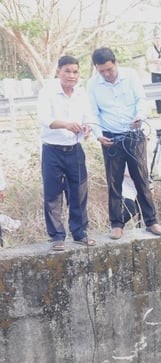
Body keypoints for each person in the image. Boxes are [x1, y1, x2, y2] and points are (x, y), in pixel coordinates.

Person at [88, 47, 161, 239]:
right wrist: (98, 134)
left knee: (141, 178)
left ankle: (151, 221)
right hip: (110, 137)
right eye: (101, 71)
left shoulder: (130, 76)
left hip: (134, 134)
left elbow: (141, 100)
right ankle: (116, 224)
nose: (106, 74)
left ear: (115, 63)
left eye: (109, 69)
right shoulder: (93, 84)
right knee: (114, 182)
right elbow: (92, 112)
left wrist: (140, 116)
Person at [37, 55, 96, 251]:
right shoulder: (48, 92)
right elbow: (45, 119)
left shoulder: (81, 93)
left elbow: (88, 117)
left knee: (79, 192)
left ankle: (80, 233)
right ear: (58, 72)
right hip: (52, 150)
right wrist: (66, 124)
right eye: (68, 71)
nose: (72, 75)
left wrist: (87, 128)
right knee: (53, 194)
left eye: (75, 72)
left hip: (75, 150)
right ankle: (56, 236)